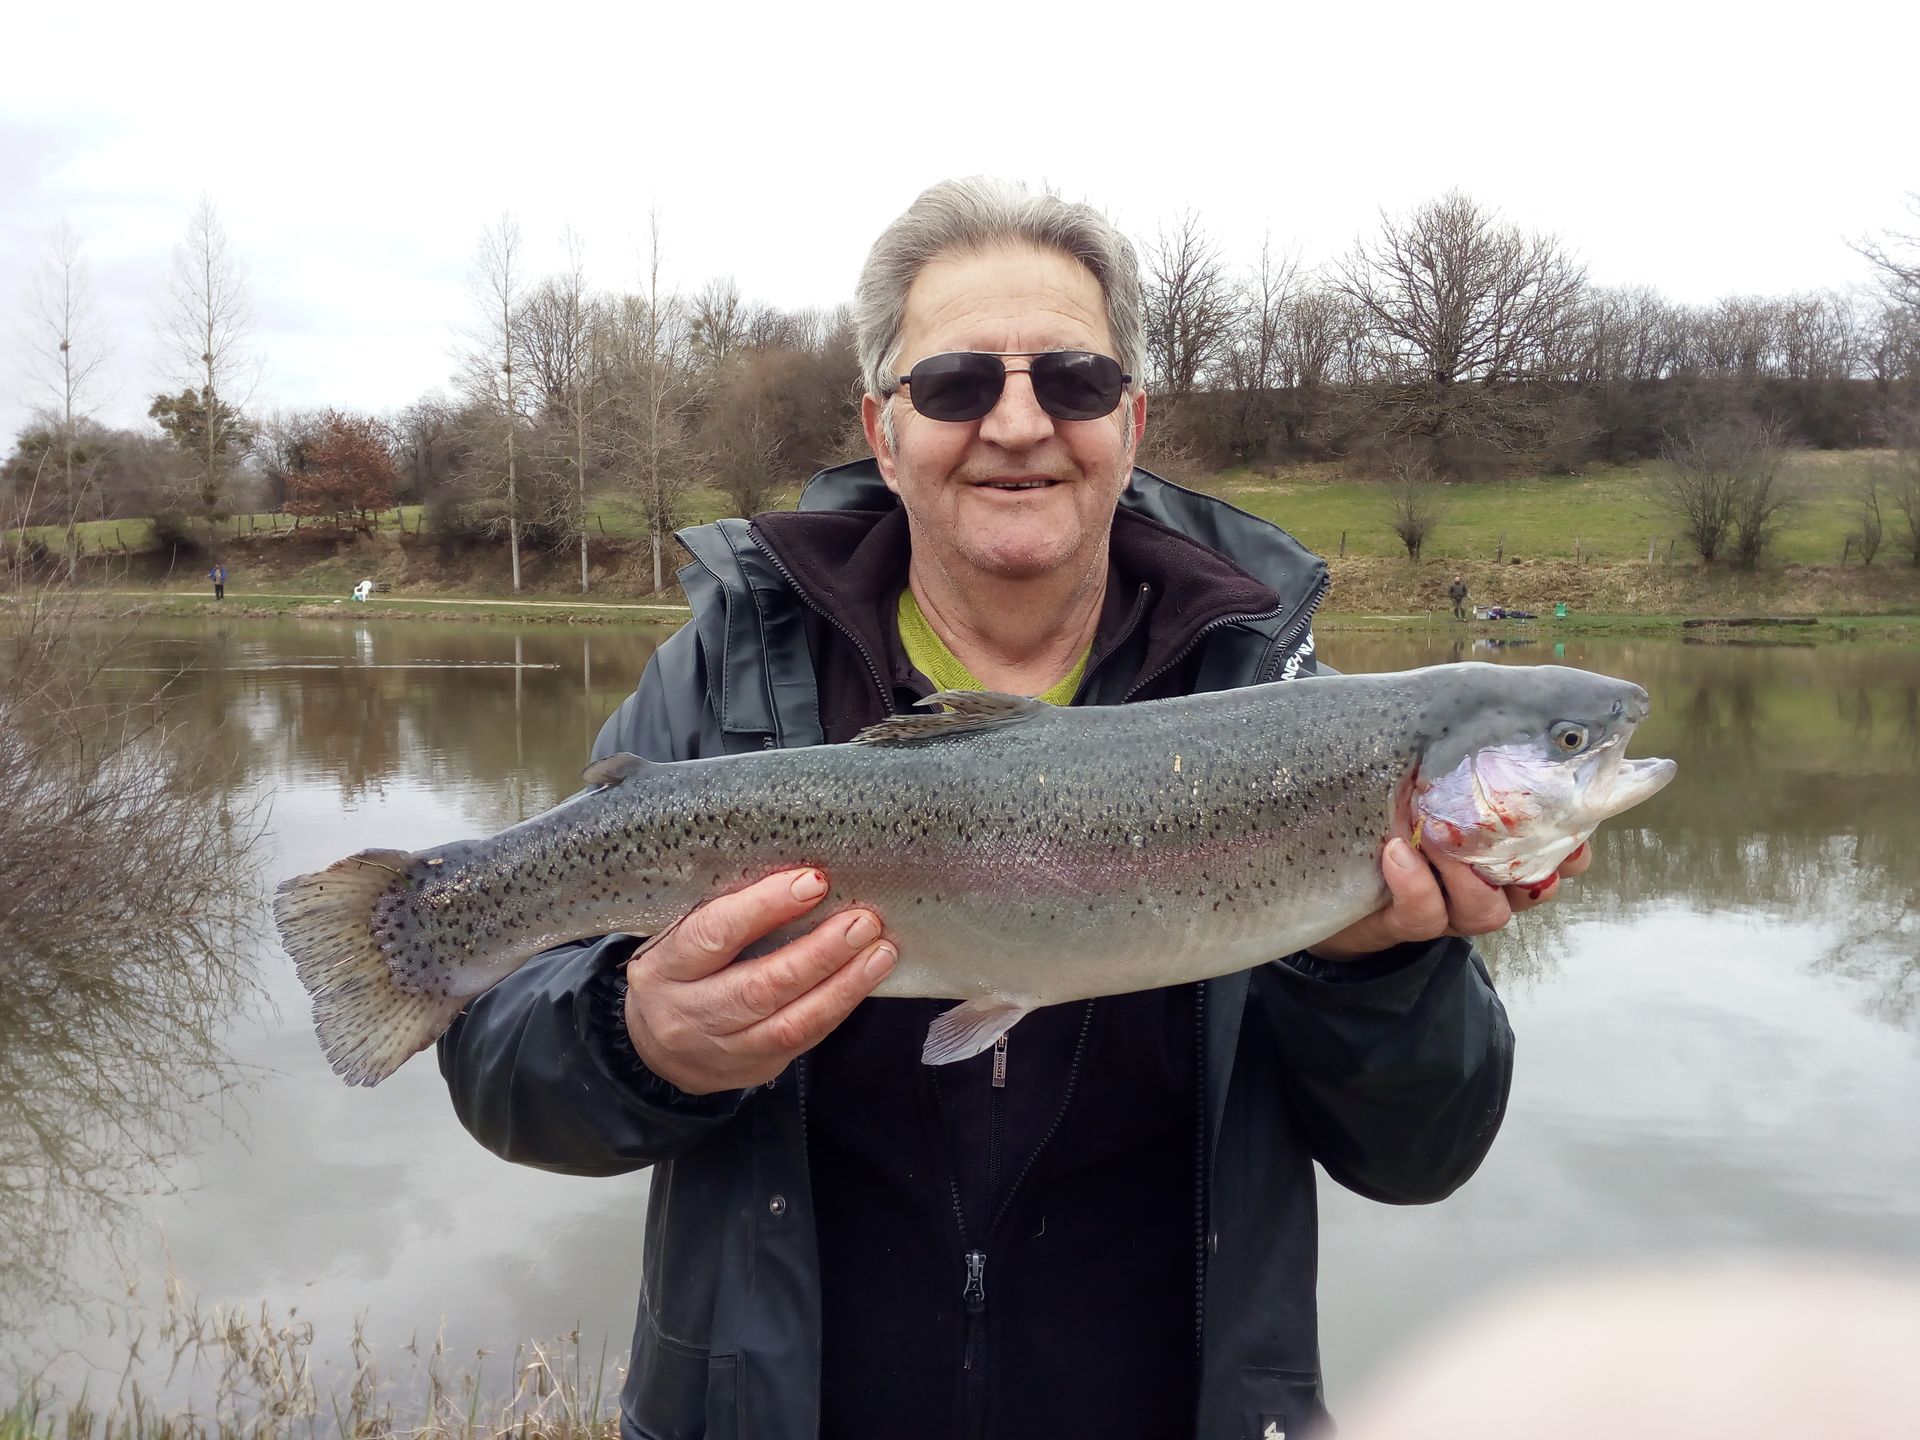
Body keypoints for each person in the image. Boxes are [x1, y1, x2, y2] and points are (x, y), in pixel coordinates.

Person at [438, 179, 1588, 1440]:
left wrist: (1377, 974)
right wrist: (634, 1038)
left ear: (1132, 421)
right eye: (957, 385)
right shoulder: (727, 675)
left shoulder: (1275, 696)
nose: (1020, 423)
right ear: (884, 431)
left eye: (1077, 382)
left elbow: (1421, 1157)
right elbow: (501, 1064)